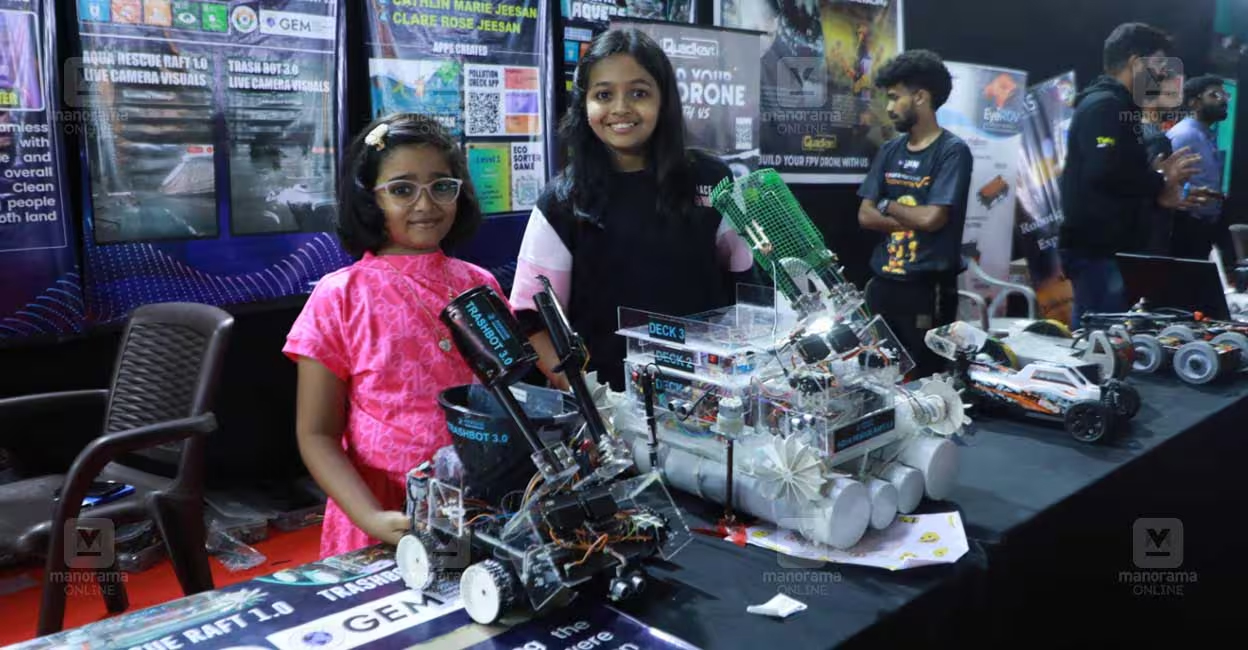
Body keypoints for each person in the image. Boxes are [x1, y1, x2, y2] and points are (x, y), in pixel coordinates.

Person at [283, 113, 503, 558]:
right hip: (382, 515)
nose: (426, 204)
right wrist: (370, 517)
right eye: (402, 189)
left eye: (442, 186)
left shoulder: (478, 285)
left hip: (479, 504)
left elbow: (504, 399)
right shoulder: (340, 296)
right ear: (370, 199)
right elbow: (317, 434)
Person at [509, 28, 756, 392]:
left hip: (708, 392)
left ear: (664, 100)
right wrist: (589, 396)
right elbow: (532, 319)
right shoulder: (562, 201)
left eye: (638, 93)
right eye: (603, 95)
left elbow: (744, 283)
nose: (621, 109)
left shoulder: (712, 178)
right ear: (584, 104)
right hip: (613, 401)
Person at [1058, 23, 1201, 328]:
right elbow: (1104, 171)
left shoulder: (1119, 107)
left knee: (1106, 344)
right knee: (1100, 347)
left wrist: (1157, 178)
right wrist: (1160, 181)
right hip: (1097, 251)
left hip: (1110, 250)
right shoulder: (1105, 106)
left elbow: (1117, 170)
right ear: (1137, 63)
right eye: (1159, 67)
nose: (1163, 75)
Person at [856, 49, 974, 379]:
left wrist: (886, 204)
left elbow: (932, 219)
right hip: (882, 285)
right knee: (879, 377)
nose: (890, 108)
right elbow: (864, 216)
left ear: (920, 97)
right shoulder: (890, 150)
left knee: (925, 382)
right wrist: (903, 213)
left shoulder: (953, 151)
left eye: (895, 98)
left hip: (926, 290)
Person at [1166, 74, 1231, 260]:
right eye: (1215, 95)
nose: (1223, 100)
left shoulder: (1205, 134)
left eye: (1225, 95)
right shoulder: (1184, 135)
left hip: (1205, 227)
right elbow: (1167, 183)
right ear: (1194, 103)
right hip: (1187, 227)